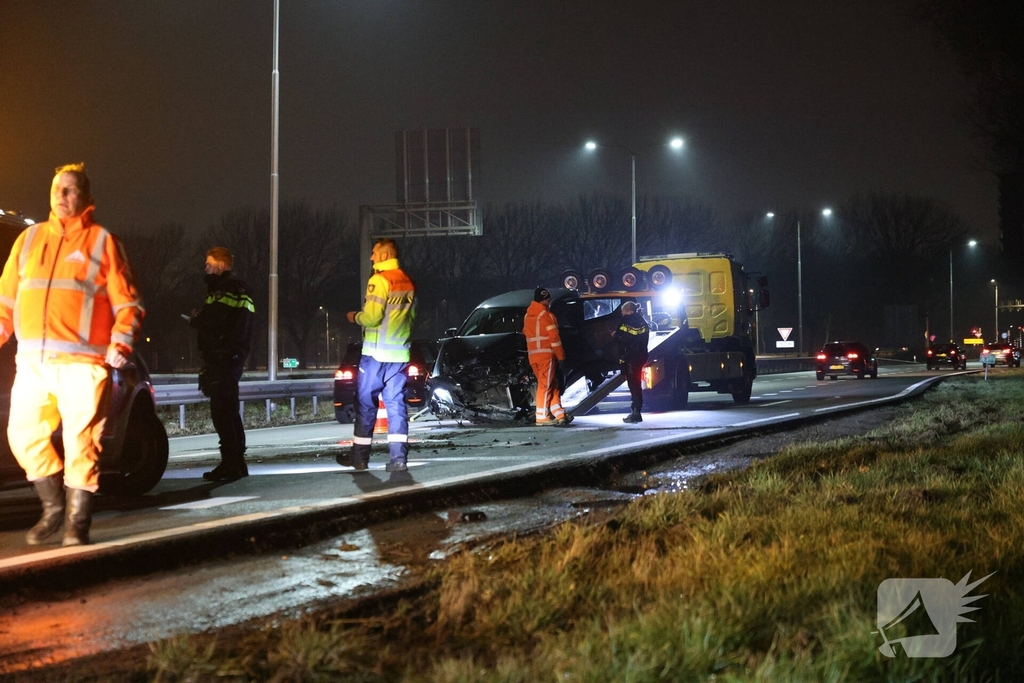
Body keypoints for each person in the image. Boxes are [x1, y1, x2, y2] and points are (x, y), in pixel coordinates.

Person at [0, 163, 144, 546]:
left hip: (83, 365)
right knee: (22, 435)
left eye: (69, 189)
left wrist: (120, 344)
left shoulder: (101, 242)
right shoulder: (29, 240)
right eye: (56, 189)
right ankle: (52, 508)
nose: (61, 196)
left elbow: (128, 303)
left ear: (86, 197)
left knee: (83, 442)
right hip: (33, 365)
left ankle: (77, 525)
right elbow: (5, 302)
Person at [341, 238, 416, 472]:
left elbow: (372, 317)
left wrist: (356, 317)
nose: (372, 257)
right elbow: (411, 318)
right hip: (400, 355)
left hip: (375, 355)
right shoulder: (408, 282)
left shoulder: (379, 279)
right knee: (396, 407)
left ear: (384, 255)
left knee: (366, 405)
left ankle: (360, 458)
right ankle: (398, 460)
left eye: (374, 253)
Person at [190, 247, 255, 482]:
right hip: (230, 355)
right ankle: (236, 463)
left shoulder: (225, 288)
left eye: (208, 264)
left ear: (221, 265)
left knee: (222, 412)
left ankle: (231, 464)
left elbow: (216, 319)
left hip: (224, 357)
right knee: (229, 410)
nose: (205, 268)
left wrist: (198, 320)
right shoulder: (236, 288)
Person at [524, 287, 572, 426]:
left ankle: (559, 414)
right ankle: (542, 416)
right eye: (548, 299)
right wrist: (561, 356)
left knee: (552, 385)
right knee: (545, 386)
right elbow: (554, 338)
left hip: (533, 356)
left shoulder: (528, 315)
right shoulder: (546, 315)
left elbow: (526, 332)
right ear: (545, 300)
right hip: (546, 355)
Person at [613, 301, 650, 423]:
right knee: (637, 384)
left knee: (633, 385)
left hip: (631, 358)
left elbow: (623, 338)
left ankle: (636, 412)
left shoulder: (627, 321)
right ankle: (636, 410)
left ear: (628, 311)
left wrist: (615, 336)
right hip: (641, 356)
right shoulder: (642, 321)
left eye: (623, 311)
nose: (622, 314)